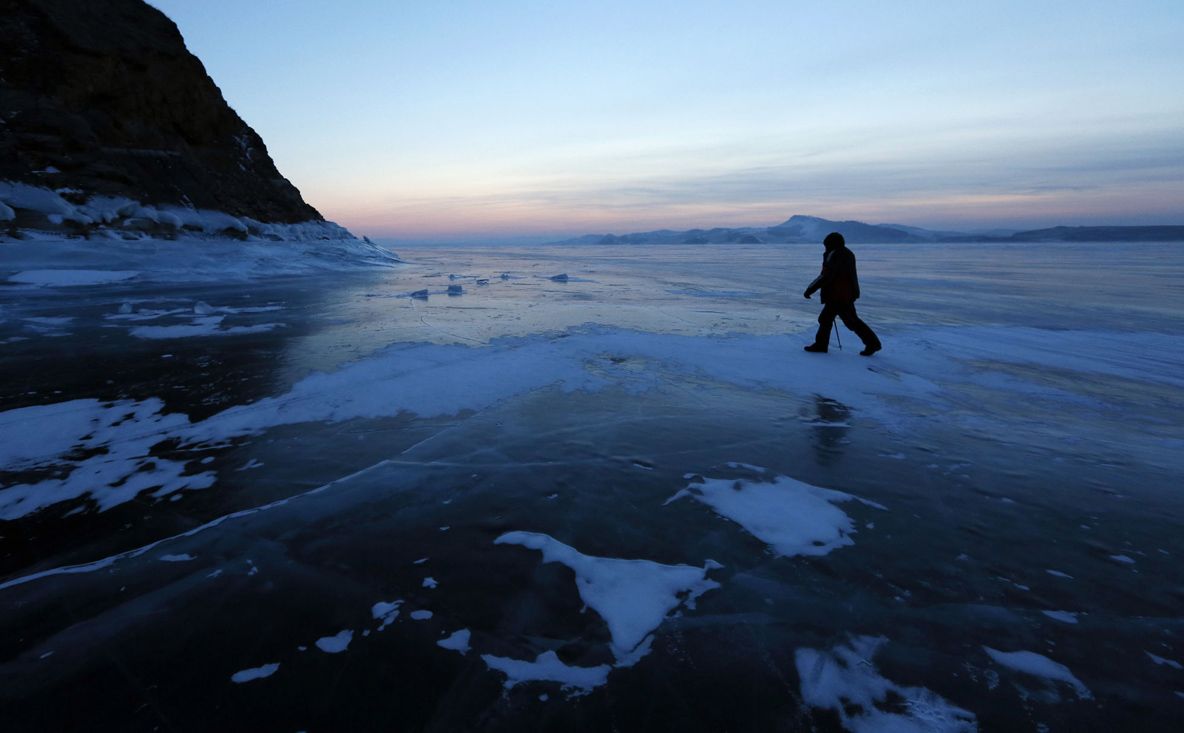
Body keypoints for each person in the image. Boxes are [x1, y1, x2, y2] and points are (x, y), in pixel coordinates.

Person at [802, 232, 882, 356]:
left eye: (826, 245)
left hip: (839, 295)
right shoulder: (844, 253)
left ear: (832, 244)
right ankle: (821, 345)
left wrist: (810, 289)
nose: (825, 248)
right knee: (831, 319)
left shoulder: (837, 255)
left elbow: (826, 276)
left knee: (847, 320)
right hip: (843, 294)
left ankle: (872, 343)